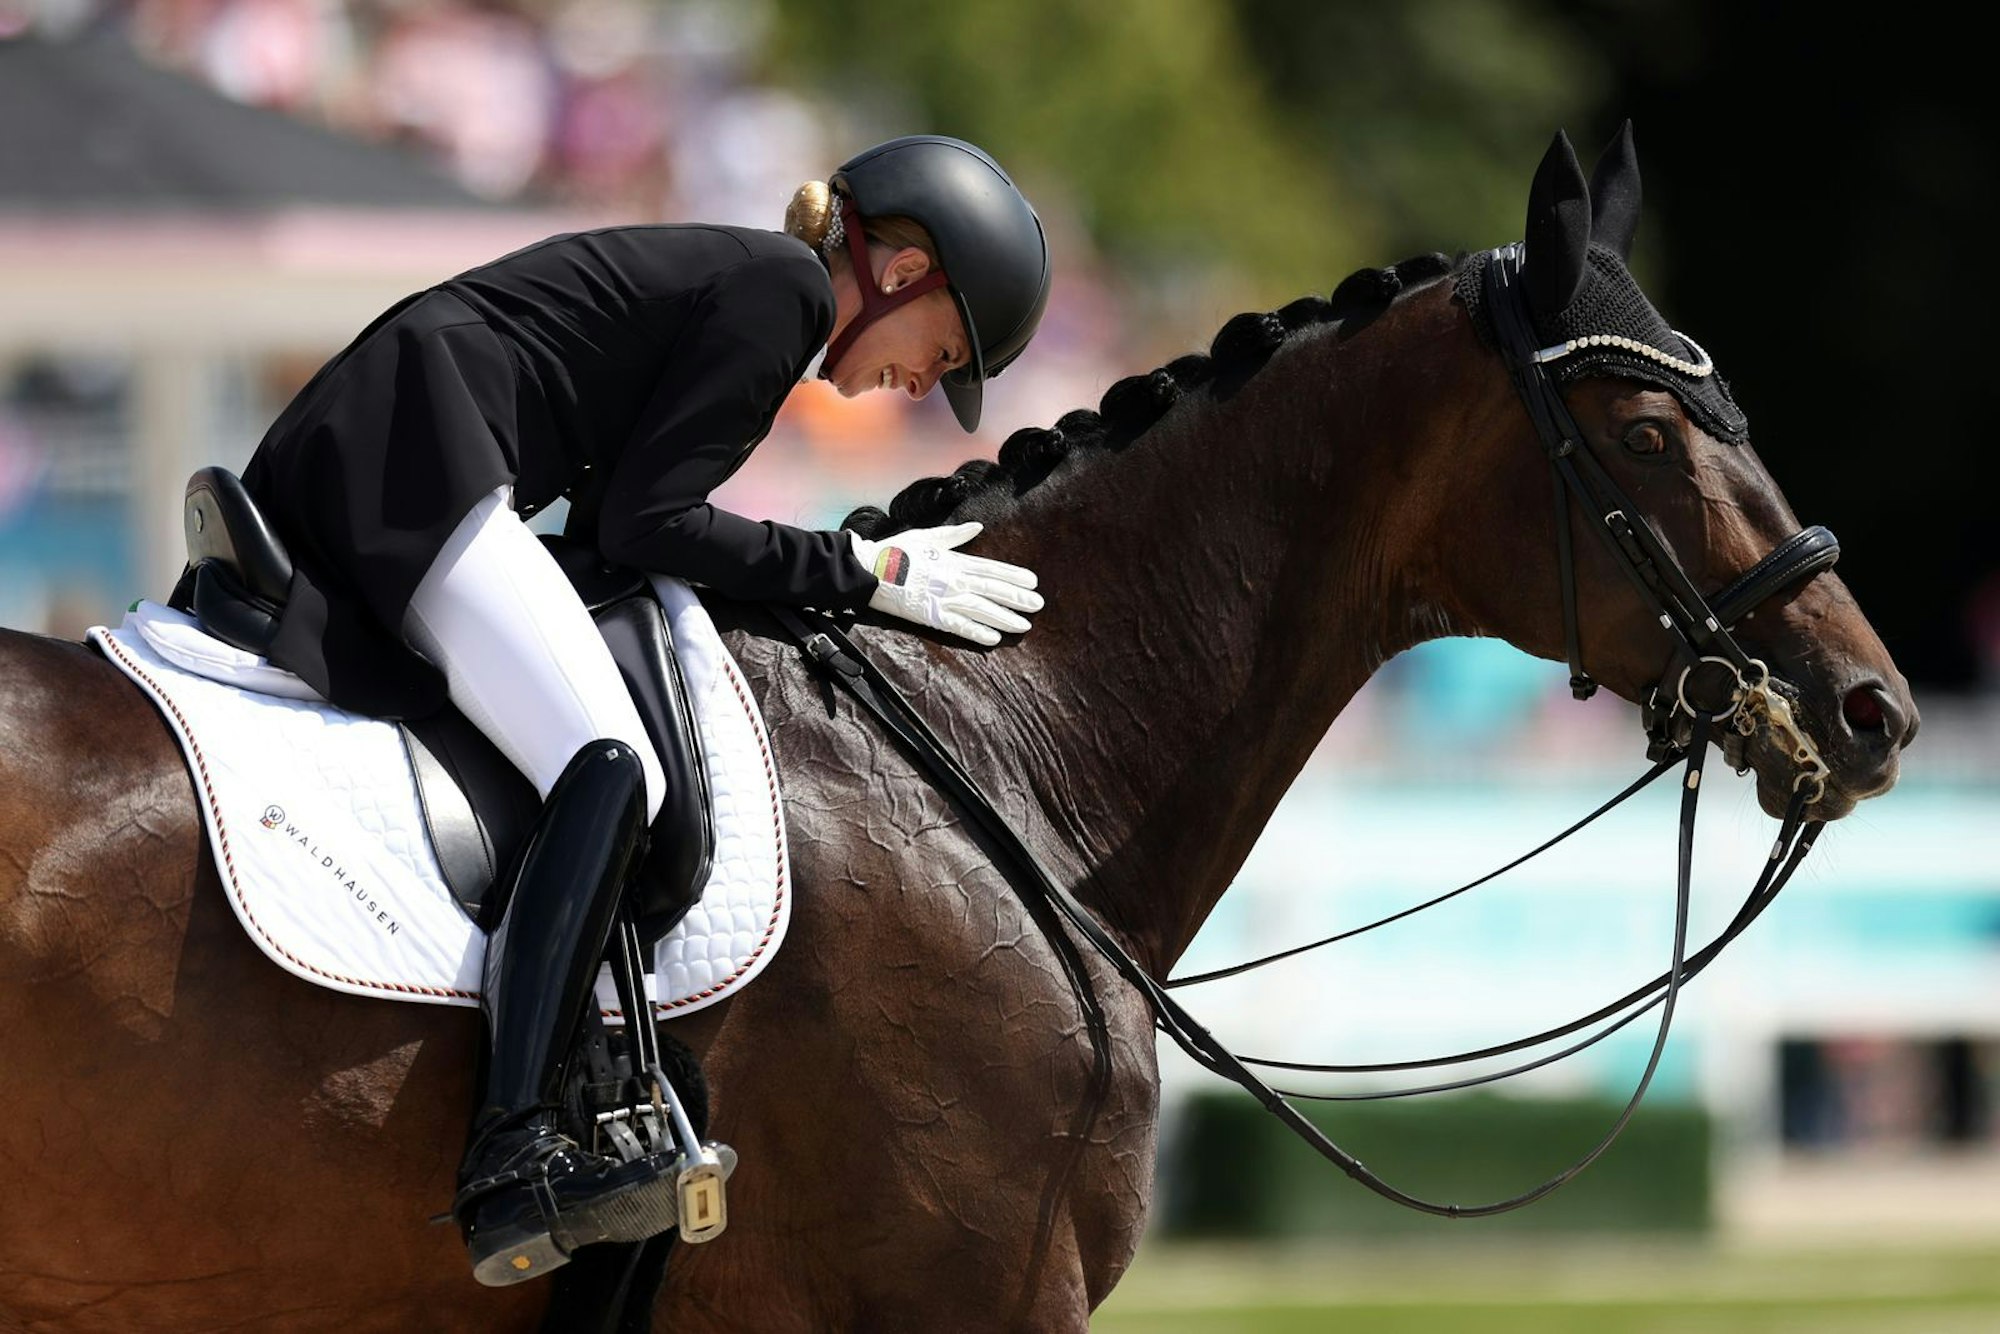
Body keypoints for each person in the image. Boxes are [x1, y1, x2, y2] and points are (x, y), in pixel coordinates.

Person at [236, 134, 1052, 1284]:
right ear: (903, 273)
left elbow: (624, 519)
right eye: (946, 349)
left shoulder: (761, 292)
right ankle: (512, 1143)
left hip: (407, 432)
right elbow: (646, 523)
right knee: (611, 761)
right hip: (422, 444)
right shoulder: (783, 293)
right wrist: (867, 571)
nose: (925, 386)